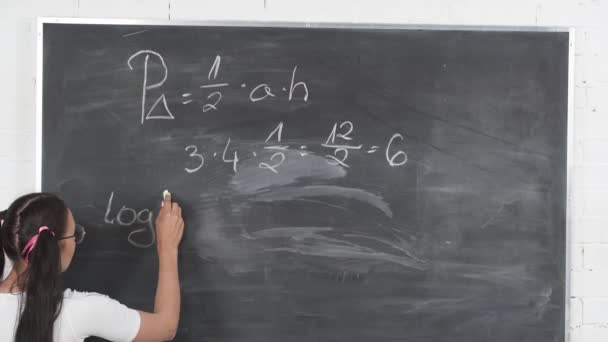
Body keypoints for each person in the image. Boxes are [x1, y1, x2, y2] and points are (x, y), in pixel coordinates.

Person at [0, 192, 184, 342]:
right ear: (57, 246)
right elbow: (165, 327)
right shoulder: (80, 310)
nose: (75, 242)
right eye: (74, 235)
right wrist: (167, 247)